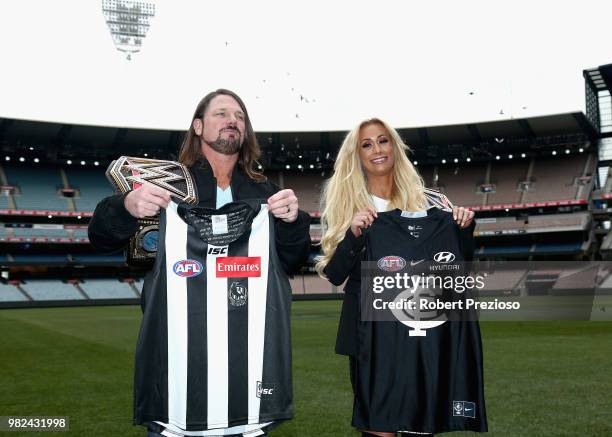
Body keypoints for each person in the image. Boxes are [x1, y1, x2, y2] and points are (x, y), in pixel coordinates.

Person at [88, 89, 311, 436]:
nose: (232, 121)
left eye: (239, 116)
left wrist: (293, 221)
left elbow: (292, 261)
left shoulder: (266, 193)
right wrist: (125, 206)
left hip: (247, 366)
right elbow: (100, 240)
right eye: (221, 113)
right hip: (178, 362)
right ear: (197, 126)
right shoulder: (164, 186)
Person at [315, 118, 486, 436]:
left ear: (394, 146)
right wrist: (353, 233)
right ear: (357, 155)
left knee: (421, 424)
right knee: (380, 427)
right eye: (366, 144)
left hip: (420, 327)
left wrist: (465, 228)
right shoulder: (346, 203)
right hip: (370, 333)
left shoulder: (431, 201)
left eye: (383, 140)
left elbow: (456, 266)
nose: (376, 149)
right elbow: (335, 274)